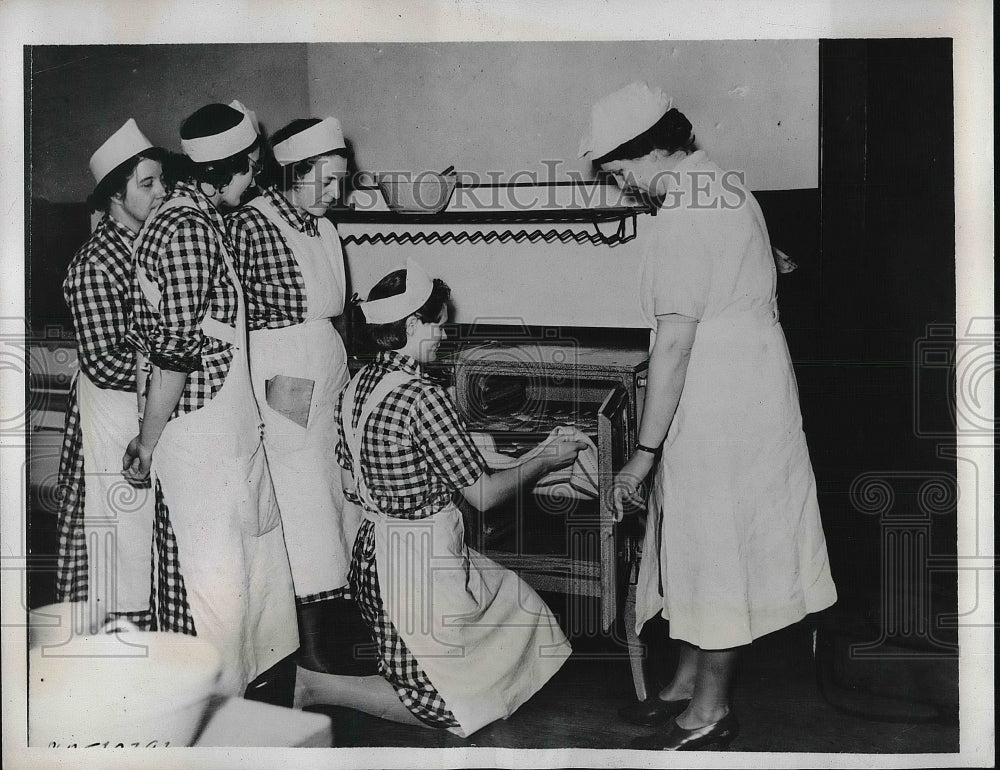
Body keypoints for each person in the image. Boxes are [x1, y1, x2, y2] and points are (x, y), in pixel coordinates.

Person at [579, 82, 837, 750]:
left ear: (649, 150)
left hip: (718, 389)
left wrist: (642, 453)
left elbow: (674, 341)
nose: (625, 186)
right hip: (748, 377)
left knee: (715, 544)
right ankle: (687, 680)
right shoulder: (720, 184)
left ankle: (709, 712)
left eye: (621, 171)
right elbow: (770, 266)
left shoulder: (682, 215)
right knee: (694, 537)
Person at [293, 259, 584, 736]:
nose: (445, 336)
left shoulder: (355, 385)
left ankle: (411, 677)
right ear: (412, 325)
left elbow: (351, 481)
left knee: (516, 604)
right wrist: (546, 460)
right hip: (415, 565)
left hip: (374, 554)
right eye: (439, 324)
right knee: (451, 713)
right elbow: (485, 496)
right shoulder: (423, 396)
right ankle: (315, 686)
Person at [122, 102, 298, 700]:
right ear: (229, 168)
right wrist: (147, 441)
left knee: (247, 566)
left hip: (226, 427)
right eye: (251, 169)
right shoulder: (188, 230)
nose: (254, 182)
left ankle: (250, 700)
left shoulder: (198, 218)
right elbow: (173, 353)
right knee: (218, 581)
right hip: (199, 430)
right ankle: (222, 715)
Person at [227, 116, 373, 676]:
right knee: (304, 501)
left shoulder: (326, 230)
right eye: (329, 179)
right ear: (294, 173)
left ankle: (338, 631)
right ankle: (312, 650)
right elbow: (234, 322)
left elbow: (340, 317)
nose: (339, 190)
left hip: (328, 373)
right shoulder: (253, 225)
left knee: (339, 498)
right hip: (282, 375)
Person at [56, 118, 194, 631]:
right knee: (116, 545)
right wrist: (172, 370)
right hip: (112, 420)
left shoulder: (148, 248)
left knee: (146, 542)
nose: (162, 193)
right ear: (116, 195)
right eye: (148, 183)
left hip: (143, 413)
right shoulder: (95, 265)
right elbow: (105, 361)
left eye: (162, 181)